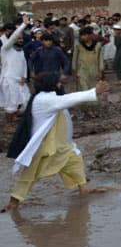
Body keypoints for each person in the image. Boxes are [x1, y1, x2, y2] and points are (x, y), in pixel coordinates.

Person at [3, 73, 109, 212]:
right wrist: (94, 92)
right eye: (58, 81)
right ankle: (14, 202)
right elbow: (69, 99)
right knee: (30, 174)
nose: (61, 83)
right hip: (45, 145)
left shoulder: (46, 97)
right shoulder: (45, 100)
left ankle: (83, 189)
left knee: (75, 161)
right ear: (51, 84)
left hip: (60, 143)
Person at [2, 15, 30, 132]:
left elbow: (23, 64)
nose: (20, 40)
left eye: (21, 38)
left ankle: (13, 119)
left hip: (20, 81)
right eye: (18, 38)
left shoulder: (20, 50)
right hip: (9, 81)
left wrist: (24, 76)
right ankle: (8, 125)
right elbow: (13, 37)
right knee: (11, 105)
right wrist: (23, 25)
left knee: (26, 101)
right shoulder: (5, 49)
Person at [72, 27, 104, 116]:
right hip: (82, 70)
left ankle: (94, 108)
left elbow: (100, 59)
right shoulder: (78, 46)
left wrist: (101, 71)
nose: (83, 37)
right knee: (84, 89)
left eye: (85, 35)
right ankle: (87, 109)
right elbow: (74, 59)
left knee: (93, 89)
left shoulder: (97, 46)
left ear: (90, 35)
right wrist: (74, 70)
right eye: (81, 35)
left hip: (94, 70)